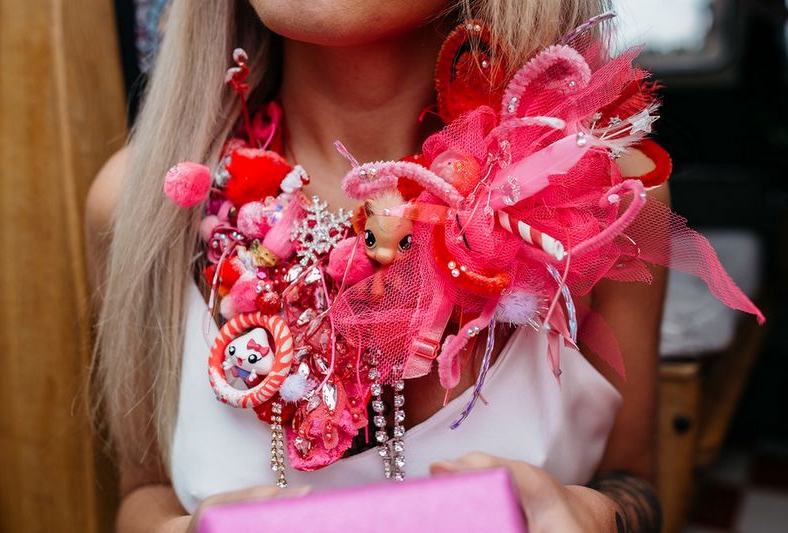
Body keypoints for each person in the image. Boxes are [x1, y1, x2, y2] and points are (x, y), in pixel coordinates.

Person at [86, 1, 673, 531]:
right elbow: (144, 494)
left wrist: (600, 518)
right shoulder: (138, 205)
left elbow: (635, 485)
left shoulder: (601, 193)